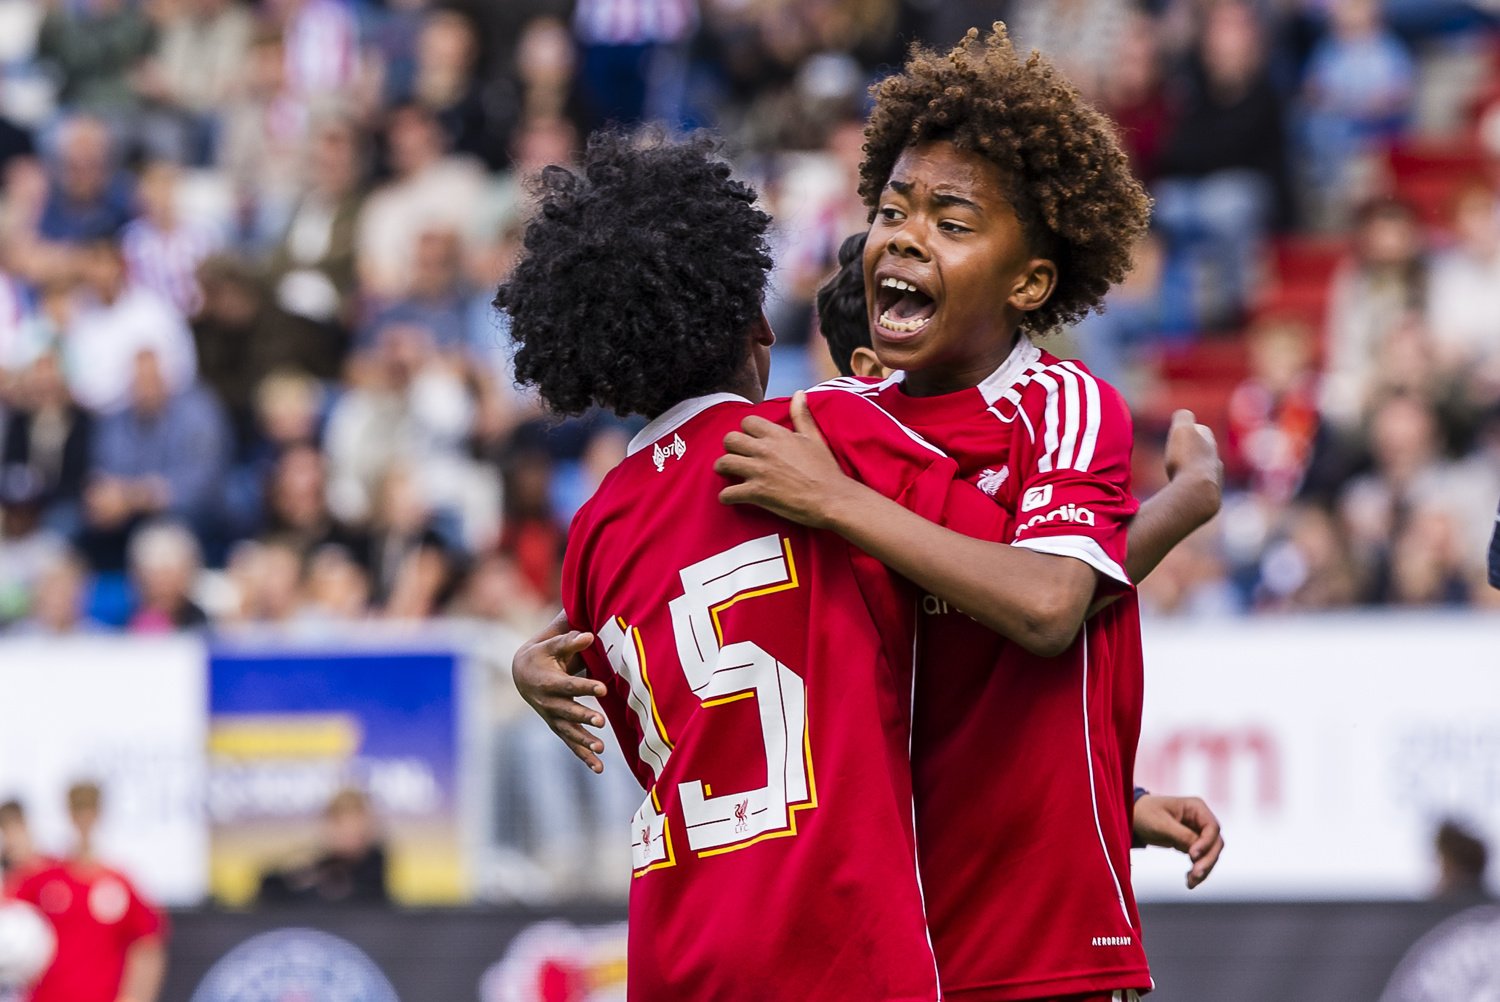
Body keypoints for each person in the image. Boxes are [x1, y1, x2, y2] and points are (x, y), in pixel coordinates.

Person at [500, 127, 1219, 998]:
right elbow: (1035, 590)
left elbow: (676, 643)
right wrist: (1184, 503)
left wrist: (529, 656)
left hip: (674, 944)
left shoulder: (596, 527)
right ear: (757, 323)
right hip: (840, 944)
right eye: (893, 212)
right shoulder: (828, 435)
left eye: (947, 220)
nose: (907, 237)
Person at [12, 783, 166, 1002]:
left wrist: (135, 997)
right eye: (78, 810)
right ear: (69, 814)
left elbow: (149, 944)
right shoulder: (44, 878)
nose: (84, 819)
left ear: (98, 814)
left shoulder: (118, 883)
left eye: (89, 810)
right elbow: (9, 910)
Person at [257, 787, 389, 905]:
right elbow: (270, 886)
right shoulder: (316, 865)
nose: (350, 832)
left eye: (356, 824)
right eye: (341, 824)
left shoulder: (374, 867)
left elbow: (366, 896)